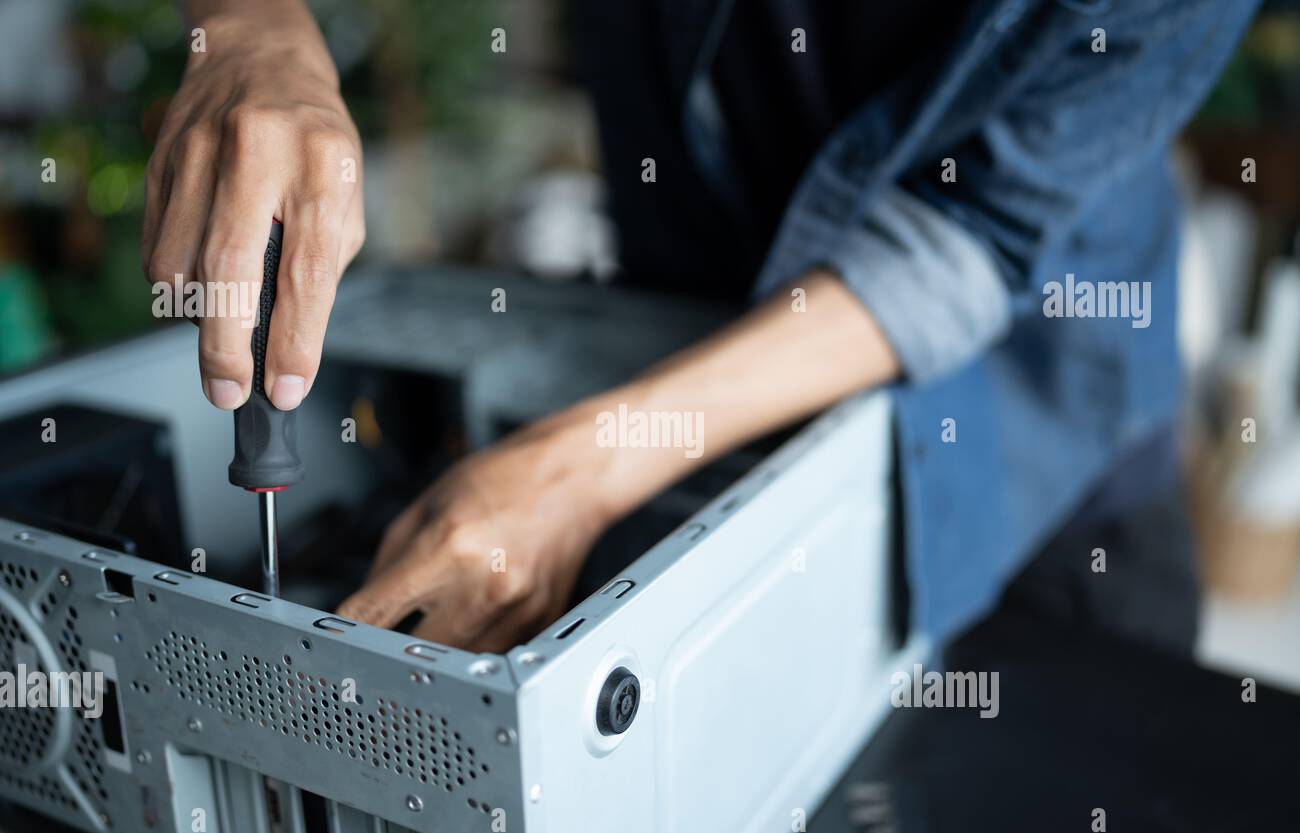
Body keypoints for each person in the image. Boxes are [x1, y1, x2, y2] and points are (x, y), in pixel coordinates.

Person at [143, 0, 1259, 653]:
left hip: (1042, 441)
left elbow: (965, 234)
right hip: (682, 363)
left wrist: (575, 477)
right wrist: (249, 27)